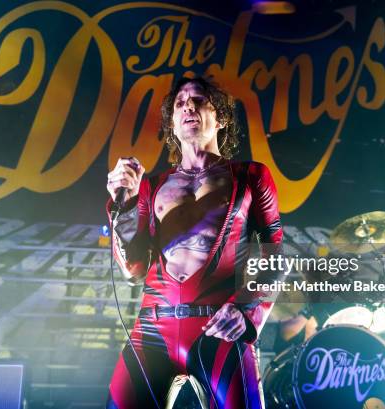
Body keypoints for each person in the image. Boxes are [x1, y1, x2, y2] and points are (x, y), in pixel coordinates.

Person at [105, 77, 283, 409]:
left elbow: (276, 254)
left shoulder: (251, 177)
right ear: (171, 124)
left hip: (218, 329)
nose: (188, 105)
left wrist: (249, 312)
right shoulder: (150, 187)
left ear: (222, 118)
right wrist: (124, 208)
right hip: (152, 331)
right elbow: (133, 269)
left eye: (199, 100)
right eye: (180, 103)